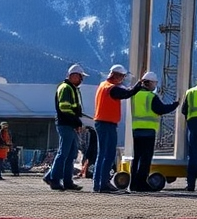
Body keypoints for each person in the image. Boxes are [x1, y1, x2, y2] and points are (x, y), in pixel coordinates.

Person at [90, 64, 144, 193]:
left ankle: (99, 183)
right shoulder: (112, 88)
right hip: (107, 124)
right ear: (116, 76)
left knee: (102, 154)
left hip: (102, 122)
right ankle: (103, 183)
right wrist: (138, 85)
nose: (122, 79)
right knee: (107, 154)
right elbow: (127, 93)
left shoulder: (103, 85)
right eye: (122, 76)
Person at [128, 70, 180, 192]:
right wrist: (175, 104)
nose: (155, 86)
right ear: (150, 83)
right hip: (148, 131)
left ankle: (133, 184)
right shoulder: (151, 97)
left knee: (137, 158)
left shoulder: (134, 95)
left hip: (136, 130)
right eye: (154, 83)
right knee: (145, 159)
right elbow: (161, 109)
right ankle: (142, 184)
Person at [44, 63, 87, 191]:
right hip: (66, 124)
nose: (81, 80)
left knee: (71, 153)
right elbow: (65, 108)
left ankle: (66, 181)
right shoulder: (66, 88)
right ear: (73, 76)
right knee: (63, 153)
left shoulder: (71, 88)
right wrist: (76, 121)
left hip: (70, 124)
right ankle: (54, 179)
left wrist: (76, 121)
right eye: (80, 77)